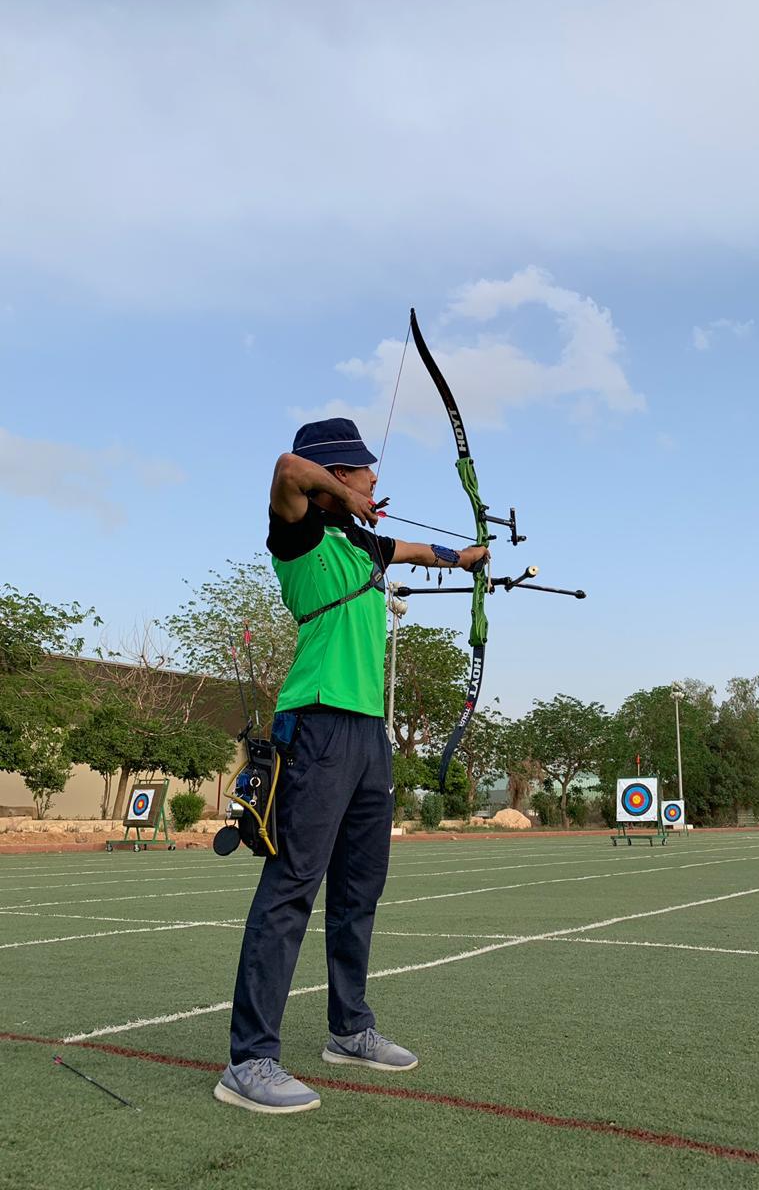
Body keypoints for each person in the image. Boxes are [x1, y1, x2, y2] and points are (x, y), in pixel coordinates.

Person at [215, 417, 489, 1114]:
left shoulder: (362, 541)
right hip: (316, 722)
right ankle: (249, 1061)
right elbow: (284, 468)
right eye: (364, 472)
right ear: (337, 476)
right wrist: (340, 496)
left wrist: (465, 557)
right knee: (292, 886)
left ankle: (350, 1028)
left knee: (360, 887)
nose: (375, 481)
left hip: (368, 732)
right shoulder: (299, 534)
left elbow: (414, 548)